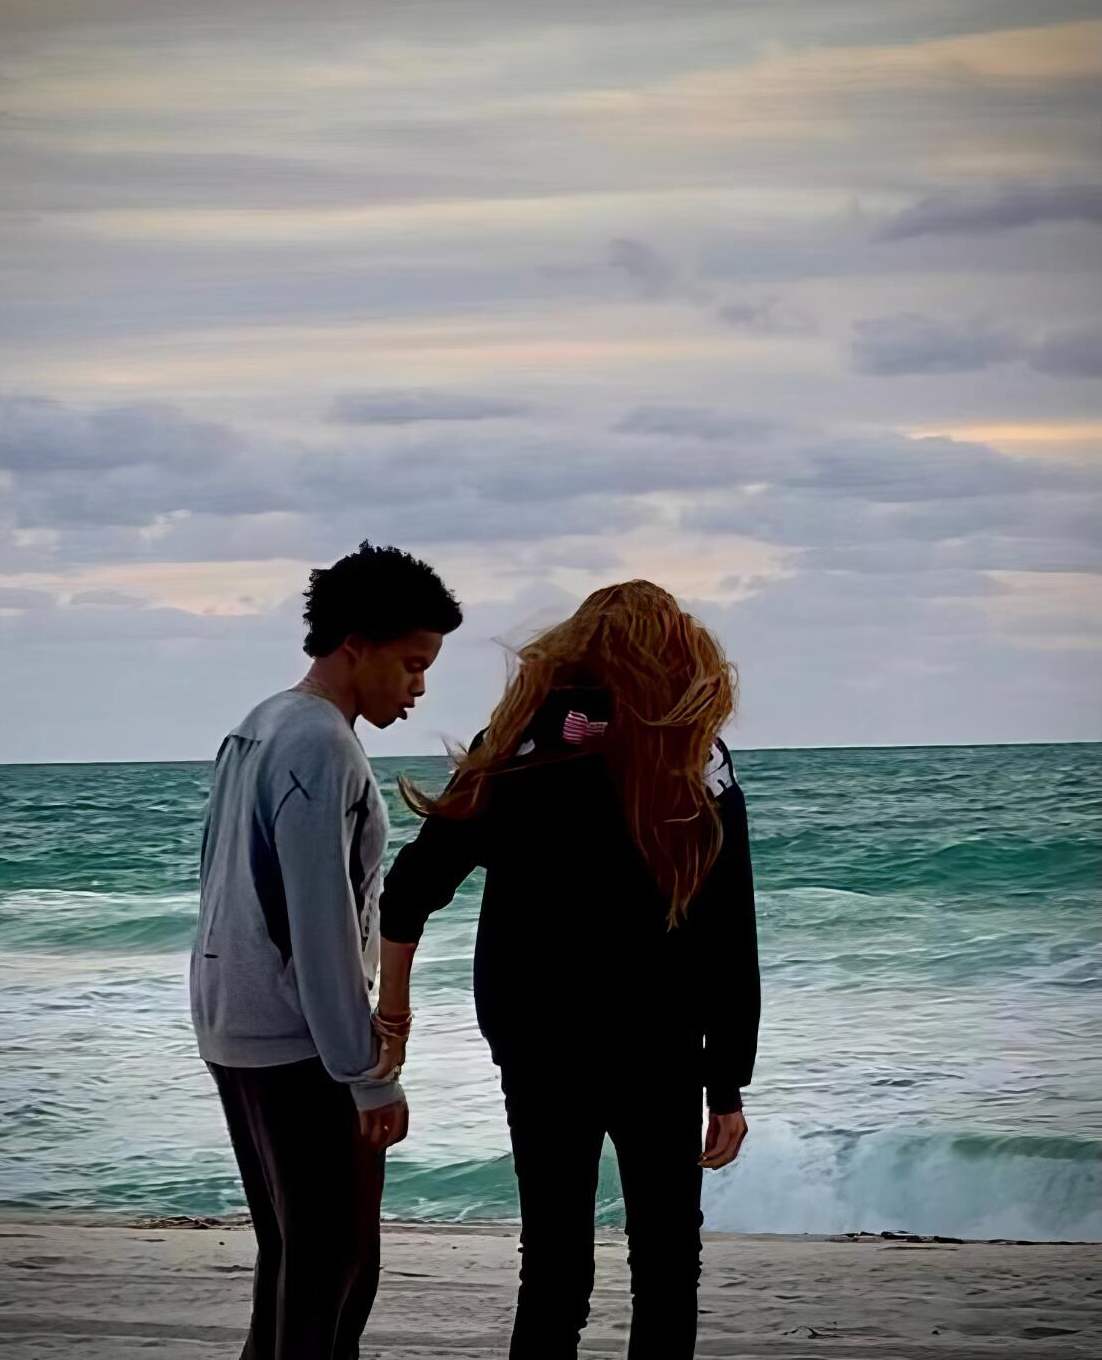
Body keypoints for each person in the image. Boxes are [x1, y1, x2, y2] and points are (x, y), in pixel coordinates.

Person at [376, 579, 760, 1359]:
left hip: (539, 1043)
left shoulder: (515, 744)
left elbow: (411, 890)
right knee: (666, 1264)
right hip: (659, 1045)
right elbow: (729, 937)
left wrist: (395, 1015)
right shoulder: (696, 761)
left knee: (552, 1263)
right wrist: (727, 1083)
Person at [189, 541, 462, 1360]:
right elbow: (320, 924)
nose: (419, 686)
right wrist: (369, 1073)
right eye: (412, 663)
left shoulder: (259, 724)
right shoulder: (318, 744)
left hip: (235, 1027)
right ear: (357, 645)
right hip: (297, 1045)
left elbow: (218, 886)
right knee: (337, 1269)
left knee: (295, 1261)